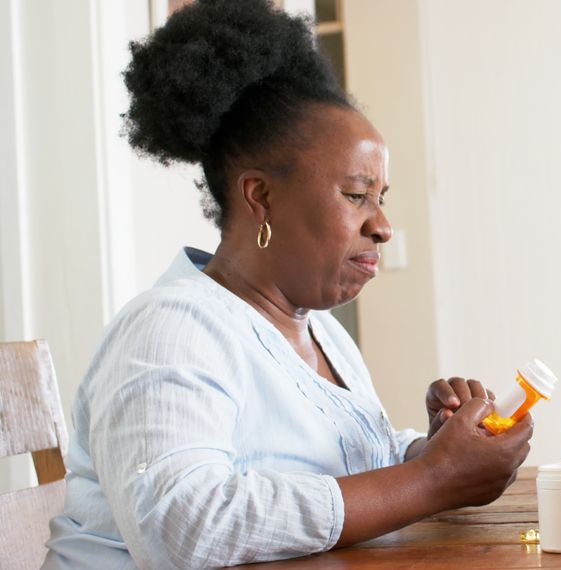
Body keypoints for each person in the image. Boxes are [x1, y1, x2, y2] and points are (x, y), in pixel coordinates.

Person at [42, 0, 533, 567]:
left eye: (382, 198)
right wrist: (432, 479)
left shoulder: (320, 332)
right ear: (261, 196)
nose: (383, 225)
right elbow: (184, 526)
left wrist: (433, 449)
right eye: (355, 195)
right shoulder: (169, 330)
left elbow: (334, 468)